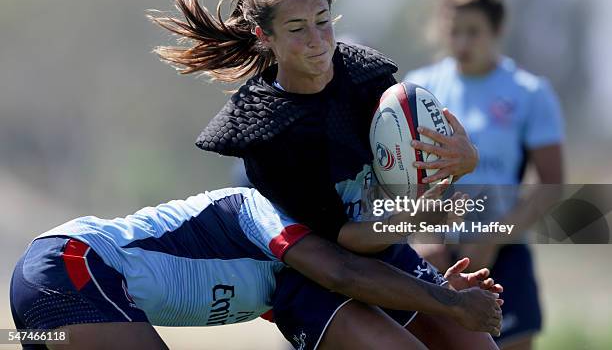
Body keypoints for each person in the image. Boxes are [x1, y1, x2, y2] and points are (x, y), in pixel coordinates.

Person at [150, 0, 498, 349]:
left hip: (384, 255)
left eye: (323, 20)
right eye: (297, 29)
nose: (317, 40)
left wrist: (463, 162)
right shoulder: (266, 130)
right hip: (312, 281)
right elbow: (345, 243)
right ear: (266, 36)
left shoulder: (366, 76)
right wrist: (428, 263)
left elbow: (405, 181)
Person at [10, 187, 503, 349]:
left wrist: (434, 288)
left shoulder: (287, 285)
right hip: (71, 263)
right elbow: (342, 275)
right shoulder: (257, 211)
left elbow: (357, 285)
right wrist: (451, 303)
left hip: (53, 291)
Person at [403, 0, 565, 350]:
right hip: (436, 257)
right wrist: (423, 235)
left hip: (503, 257)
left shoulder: (529, 92)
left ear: (496, 30)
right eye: (453, 31)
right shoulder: (420, 88)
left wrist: (492, 238)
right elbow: (404, 172)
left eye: (472, 32)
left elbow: (551, 185)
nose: (461, 42)